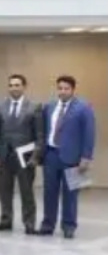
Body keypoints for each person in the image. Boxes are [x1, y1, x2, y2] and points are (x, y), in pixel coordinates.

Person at [39, 75, 96, 239]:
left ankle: (69, 226)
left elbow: (89, 133)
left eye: (66, 89)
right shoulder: (49, 106)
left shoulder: (84, 108)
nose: (62, 91)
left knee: (71, 194)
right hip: (51, 155)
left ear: (73, 89)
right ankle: (48, 225)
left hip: (74, 158)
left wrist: (86, 157)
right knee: (49, 192)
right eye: (60, 88)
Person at [0, 73, 40, 234]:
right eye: (11, 85)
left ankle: (29, 223)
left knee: (27, 192)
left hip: (25, 157)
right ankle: (6, 220)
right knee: (4, 191)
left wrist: (35, 156)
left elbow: (40, 135)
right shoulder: (0, 107)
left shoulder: (34, 107)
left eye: (17, 85)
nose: (14, 88)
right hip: (4, 155)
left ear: (24, 87)